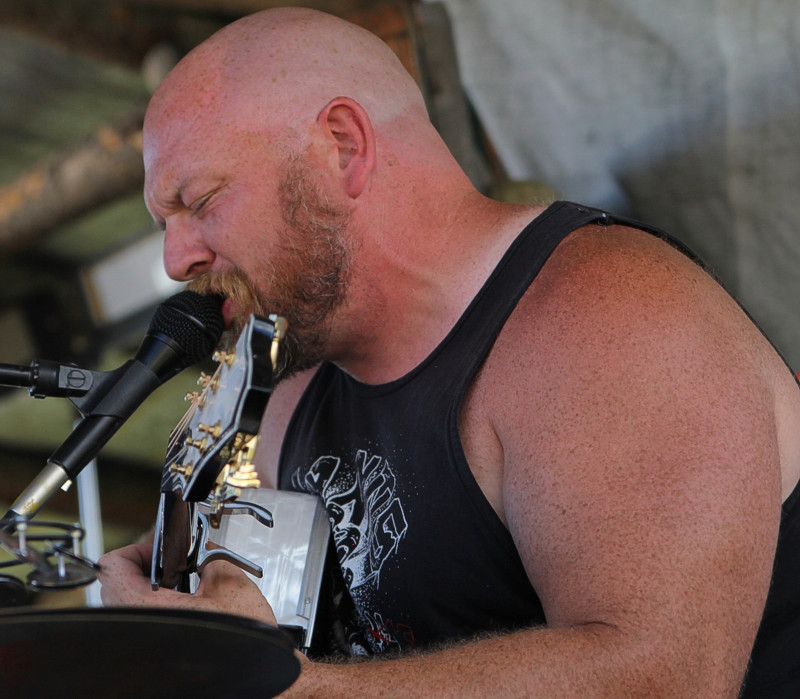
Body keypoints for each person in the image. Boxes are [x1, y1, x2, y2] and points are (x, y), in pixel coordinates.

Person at [97, 7, 800, 697]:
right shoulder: (290, 405)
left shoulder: (607, 314)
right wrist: (202, 611)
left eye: (201, 201)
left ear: (343, 146)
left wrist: (285, 685)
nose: (177, 260)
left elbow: (664, 679)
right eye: (165, 225)